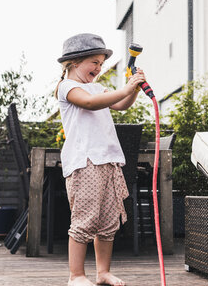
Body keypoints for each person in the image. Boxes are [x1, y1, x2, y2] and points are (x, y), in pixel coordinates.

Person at [55, 33, 145, 286]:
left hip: (108, 161)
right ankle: (76, 275)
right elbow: (91, 103)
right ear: (74, 62)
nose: (99, 67)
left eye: (101, 63)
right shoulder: (68, 87)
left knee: (108, 222)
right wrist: (125, 87)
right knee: (85, 220)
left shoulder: (98, 88)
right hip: (85, 163)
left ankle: (102, 272)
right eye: (94, 62)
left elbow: (122, 105)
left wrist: (133, 88)